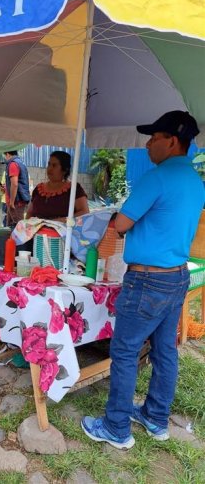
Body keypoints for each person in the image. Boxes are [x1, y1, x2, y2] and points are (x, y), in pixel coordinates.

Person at [81, 111, 205, 450]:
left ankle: (117, 427)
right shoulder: (195, 180)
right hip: (177, 276)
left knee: (124, 351)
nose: (148, 144)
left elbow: (121, 223)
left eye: (154, 137)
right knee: (165, 350)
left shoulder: (157, 177)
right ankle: (155, 417)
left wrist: (118, 222)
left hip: (148, 279)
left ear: (173, 141)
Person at [26, 151, 89, 221]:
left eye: (54, 165)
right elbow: (29, 213)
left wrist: (61, 220)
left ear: (65, 170)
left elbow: (84, 212)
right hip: (36, 230)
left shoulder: (74, 189)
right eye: (49, 164)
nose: (49, 168)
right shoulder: (38, 189)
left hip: (63, 231)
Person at [4, 150, 30, 226]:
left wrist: (12, 202)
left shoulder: (13, 164)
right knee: (10, 228)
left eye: (5, 156)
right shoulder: (20, 163)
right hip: (16, 201)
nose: (5, 158)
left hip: (16, 202)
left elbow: (14, 184)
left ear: (8, 154)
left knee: (19, 228)